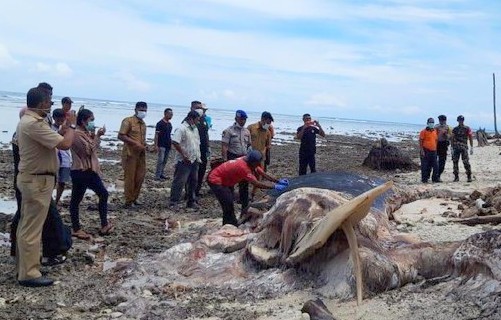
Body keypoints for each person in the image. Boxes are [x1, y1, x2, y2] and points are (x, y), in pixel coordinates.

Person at [16, 86, 75, 287]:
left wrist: (63, 130)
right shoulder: (33, 123)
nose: (51, 105)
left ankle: (24, 267)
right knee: (32, 229)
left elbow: (53, 140)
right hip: (37, 181)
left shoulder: (31, 122)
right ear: (42, 103)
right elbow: (65, 145)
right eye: (49, 101)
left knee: (28, 226)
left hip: (35, 179)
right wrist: (73, 128)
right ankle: (29, 274)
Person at [207, 150, 288, 226]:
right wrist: (274, 186)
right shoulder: (243, 167)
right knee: (227, 203)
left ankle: (232, 223)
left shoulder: (248, 160)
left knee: (229, 201)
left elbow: (263, 174)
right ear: (253, 162)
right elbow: (256, 183)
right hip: (215, 180)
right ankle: (228, 225)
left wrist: (278, 181)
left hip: (225, 180)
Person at [69, 108, 113, 239]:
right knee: (103, 194)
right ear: (83, 121)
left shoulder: (84, 133)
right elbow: (88, 151)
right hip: (84, 170)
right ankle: (103, 225)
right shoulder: (76, 134)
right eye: (91, 120)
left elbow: (92, 149)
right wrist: (97, 137)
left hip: (81, 171)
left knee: (76, 200)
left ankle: (77, 228)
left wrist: (96, 136)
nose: (93, 122)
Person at [169, 110, 202, 209]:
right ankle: (174, 202)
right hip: (184, 160)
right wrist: (184, 155)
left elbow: (196, 143)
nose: (198, 122)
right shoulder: (181, 128)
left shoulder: (195, 129)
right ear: (191, 119)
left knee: (193, 181)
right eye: (197, 120)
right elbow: (175, 142)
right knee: (180, 181)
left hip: (194, 159)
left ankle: (191, 201)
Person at [118, 101, 148, 207]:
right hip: (130, 154)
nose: (143, 112)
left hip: (141, 154)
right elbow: (121, 135)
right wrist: (134, 143)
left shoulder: (143, 124)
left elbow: (142, 139)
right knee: (130, 178)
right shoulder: (128, 121)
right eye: (141, 110)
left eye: (145, 110)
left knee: (140, 176)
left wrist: (146, 146)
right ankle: (129, 200)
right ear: (135, 110)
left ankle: (135, 198)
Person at [221, 110, 252, 209]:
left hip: (243, 159)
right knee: (230, 183)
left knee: (244, 182)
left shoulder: (247, 131)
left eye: (244, 119)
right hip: (232, 157)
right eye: (241, 119)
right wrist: (225, 160)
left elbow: (249, 146)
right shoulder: (229, 131)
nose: (243, 121)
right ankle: (229, 204)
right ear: (236, 119)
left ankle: (245, 205)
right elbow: (224, 146)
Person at [247, 111, 274, 198]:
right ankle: (243, 193)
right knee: (245, 175)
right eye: (268, 122)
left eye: (270, 123)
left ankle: (253, 194)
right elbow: (245, 140)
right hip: (249, 156)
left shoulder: (268, 132)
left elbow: (268, 145)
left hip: (260, 158)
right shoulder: (251, 128)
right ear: (263, 119)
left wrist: (264, 150)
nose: (269, 125)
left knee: (258, 176)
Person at [52, 108, 73, 206]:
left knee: (62, 181)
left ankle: (56, 201)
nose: (60, 122)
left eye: (62, 120)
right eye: (58, 120)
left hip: (65, 159)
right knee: (52, 180)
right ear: (54, 118)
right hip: (54, 158)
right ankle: (50, 201)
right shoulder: (51, 129)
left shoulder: (66, 129)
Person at [191, 101, 210, 197]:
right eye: (197, 107)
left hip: (203, 150)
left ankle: (197, 190)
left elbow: (206, 134)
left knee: (201, 171)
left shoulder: (203, 119)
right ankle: (190, 193)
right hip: (193, 150)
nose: (200, 109)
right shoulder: (189, 120)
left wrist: (208, 146)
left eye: (200, 108)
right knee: (192, 173)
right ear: (192, 108)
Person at [451, 115, 474, 182]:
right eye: (459, 120)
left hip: (464, 147)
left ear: (463, 120)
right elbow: (452, 138)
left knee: (466, 162)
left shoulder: (467, 128)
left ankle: (469, 176)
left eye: (462, 120)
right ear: (458, 121)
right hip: (456, 147)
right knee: (455, 162)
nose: (461, 121)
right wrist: (451, 147)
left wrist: (471, 147)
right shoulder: (455, 129)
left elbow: (470, 137)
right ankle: (456, 177)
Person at [154, 108, 173, 180]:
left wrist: (171, 143)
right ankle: (157, 176)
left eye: (172, 114)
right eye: (170, 114)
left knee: (165, 160)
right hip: (161, 144)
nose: (171, 116)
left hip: (167, 144)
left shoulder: (169, 124)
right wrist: (155, 145)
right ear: (165, 114)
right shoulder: (160, 123)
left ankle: (161, 173)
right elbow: (156, 135)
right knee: (160, 160)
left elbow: (169, 134)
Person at [419, 118, 439, 183]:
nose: (431, 123)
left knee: (435, 166)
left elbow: (436, 140)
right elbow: (420, 141)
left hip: (434, 151)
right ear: (427, 123)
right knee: (425, 166)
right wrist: (422, 150)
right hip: (425, 150)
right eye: (430, 122)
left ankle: (434, 179)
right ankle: (424, 179)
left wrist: (435, 149)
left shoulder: (435, 131)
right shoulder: (423, 131)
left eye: (432, 122)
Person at [435, 115, 452, 182]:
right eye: (440, 120)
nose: (441, 121)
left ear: (445, 120)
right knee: (434, 161)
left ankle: (438, 175)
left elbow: (450, 137)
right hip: (436, 144)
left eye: (442, 120)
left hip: (444, 144)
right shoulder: (436, 127)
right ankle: (434, 175)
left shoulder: (448, 128)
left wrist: (446, 134)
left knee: (442, 161)